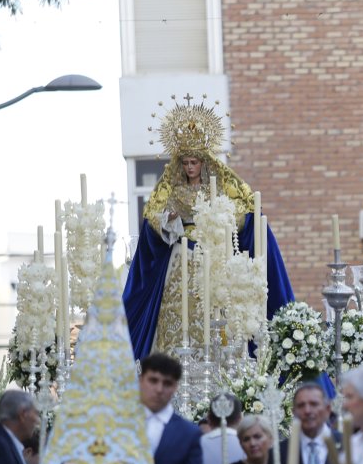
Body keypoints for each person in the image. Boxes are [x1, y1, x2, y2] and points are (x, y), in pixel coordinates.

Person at [122, 96, 297, 359]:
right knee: (178, 314)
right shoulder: (171, 189)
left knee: (217, 310)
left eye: (194, 162)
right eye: (185, 163)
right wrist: (169, 220)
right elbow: (153, 221)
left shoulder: (221, 188)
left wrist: (220, 219)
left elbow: (242, 214)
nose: (189, 168)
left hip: (212, 259)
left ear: (203, 161)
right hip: (180, 260)